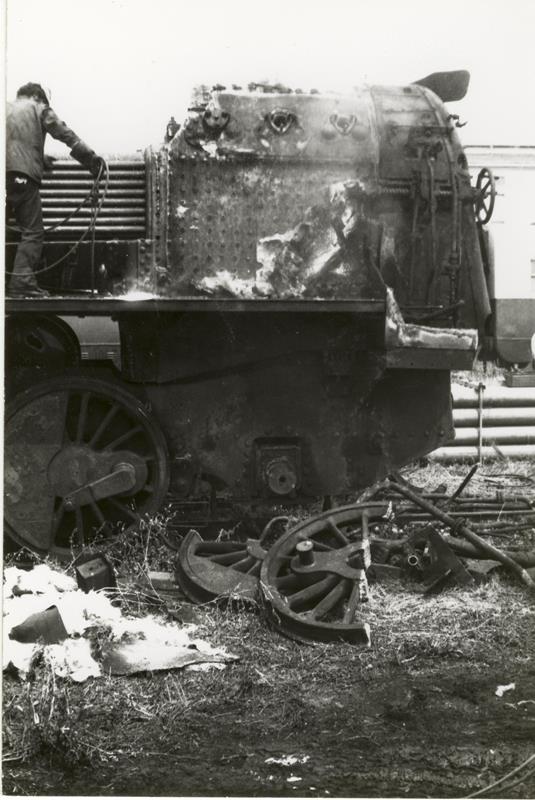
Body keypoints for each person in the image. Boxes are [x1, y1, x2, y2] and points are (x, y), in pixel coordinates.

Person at [6, 82, 104, 296]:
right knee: (32, 231)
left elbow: (13, 143)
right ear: (37, 97)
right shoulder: (38, 107)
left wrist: (39, 157)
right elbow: (63, 132)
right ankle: (21, 284)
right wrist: (90, 159)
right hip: (22, 180)